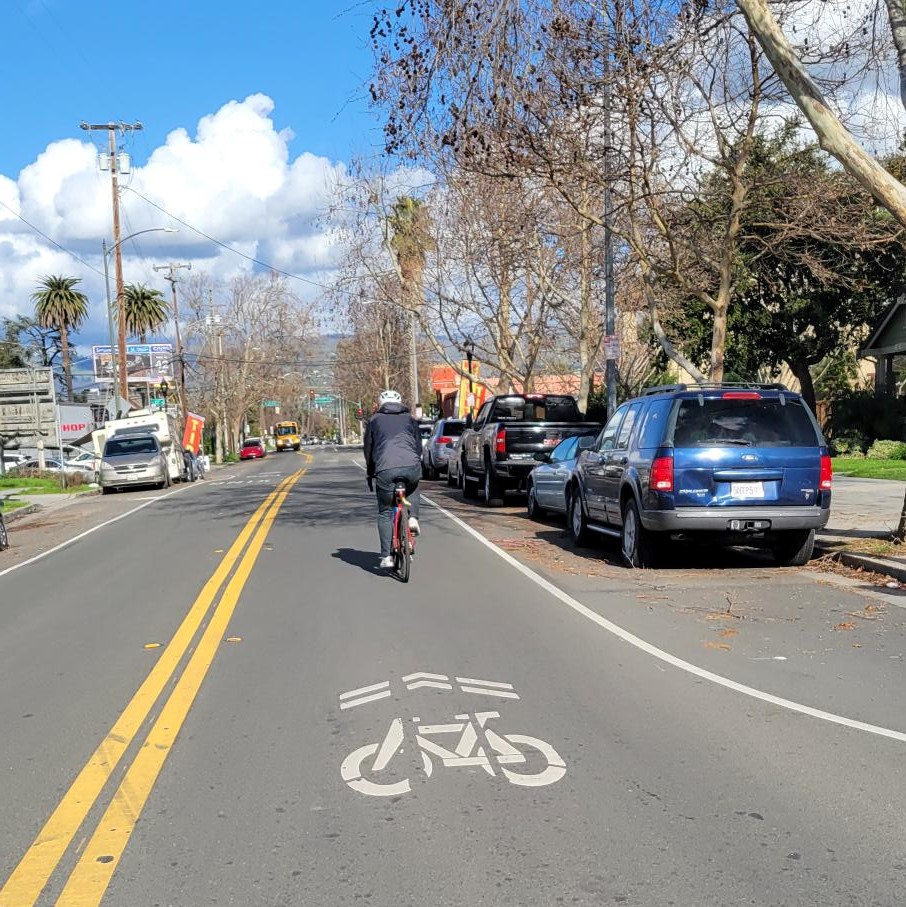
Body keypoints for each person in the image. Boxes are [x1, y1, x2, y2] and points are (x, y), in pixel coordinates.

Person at [364, 389, 422, 569]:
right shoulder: (411, 420)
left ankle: (386, 556)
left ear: (381, 404)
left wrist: (371, 472)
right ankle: (413, 518)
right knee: (413, 486)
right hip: (411, 465)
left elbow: (369, 450)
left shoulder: (374, 421)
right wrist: (415, 464)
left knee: (384, 511)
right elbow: (418, 446)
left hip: (385, 468)